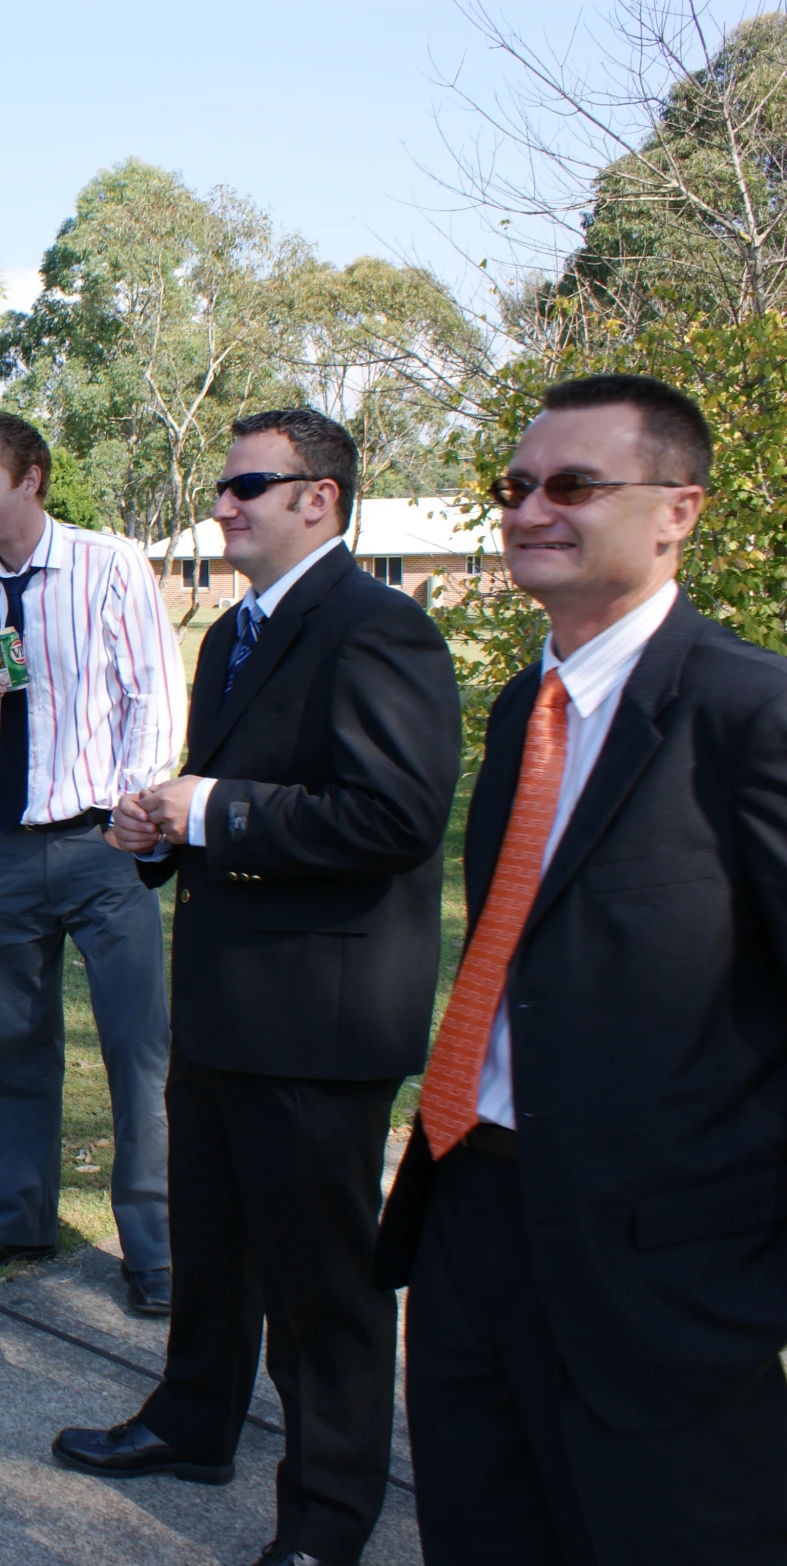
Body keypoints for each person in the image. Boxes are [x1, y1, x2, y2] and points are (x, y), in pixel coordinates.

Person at [375, 375, 787, 1564]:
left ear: (678, 513)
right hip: (471, 1205)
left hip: (664, 1272)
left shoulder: (748, 714)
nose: (529, 510)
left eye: (573, 485)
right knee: (480, 1524)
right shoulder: (521, 712)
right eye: (513, 486)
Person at [54, 408, 461, 1566]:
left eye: (247, 484)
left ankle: (329, 1517)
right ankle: (192, 1423)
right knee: (215, 1244)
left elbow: (393, 816)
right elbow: (231, 803)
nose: (223, 504)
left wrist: (212, 806)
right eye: (224, 486)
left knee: (323, 1287)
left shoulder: (379, 630)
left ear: (318, 498)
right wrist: (158, 829)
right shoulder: (231, 634)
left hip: (321, 1018)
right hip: (226, 1001)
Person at [0, 411, 183, 1317]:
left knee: (135, 1049)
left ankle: (151, 1250)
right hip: (6, 846)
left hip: (100, 845)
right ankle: (20, 1220)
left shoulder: (108, 566)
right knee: (13, 1047)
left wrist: (137, 812)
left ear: (30, 478)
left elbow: (153, 691)